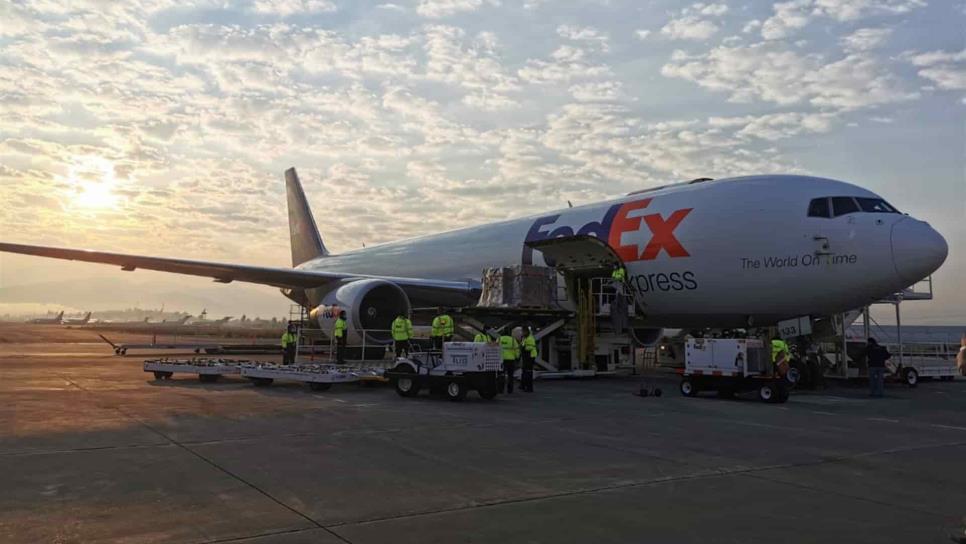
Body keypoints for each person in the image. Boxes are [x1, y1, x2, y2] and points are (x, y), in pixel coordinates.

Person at [520, 325, 538, 392]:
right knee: (525, 371)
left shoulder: (530, 338)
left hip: (530, 356)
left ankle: (529, 387)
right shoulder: (525, 338)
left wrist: (523, 348)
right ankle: (524, 385)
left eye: (523, 331)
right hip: (526, 356)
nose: (522, 332)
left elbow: (530, 347)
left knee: (528, 372)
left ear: (526, 331)